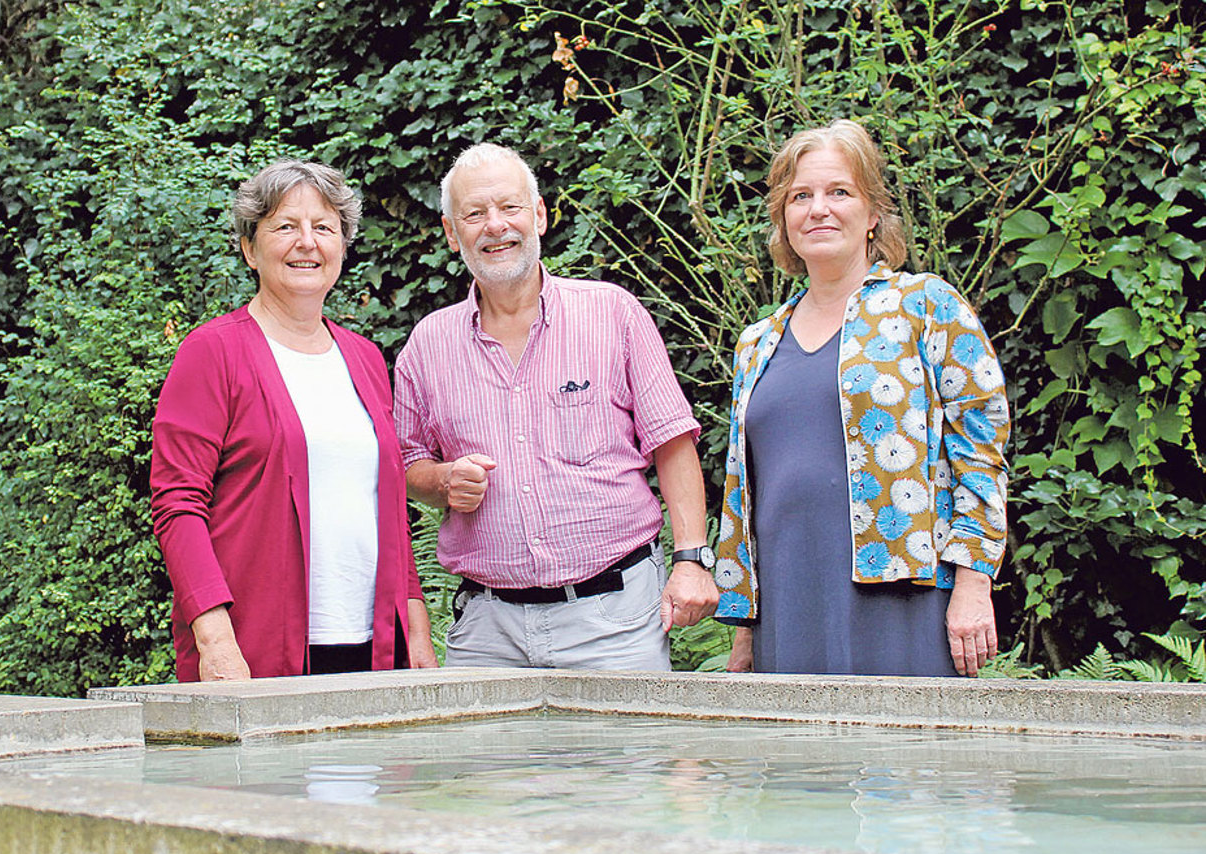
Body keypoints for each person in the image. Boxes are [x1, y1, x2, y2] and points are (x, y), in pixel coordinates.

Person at [393, 143, 718, 670]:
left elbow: (673, 441)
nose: (495, 225)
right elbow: (407, 464)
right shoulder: (427, 346)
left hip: (615, 622)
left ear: (540, 215)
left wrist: (691, 559)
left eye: (510, 207)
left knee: (631, 734)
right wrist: (443, 480)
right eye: (474, 214)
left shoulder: (613, 314)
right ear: (452, 234)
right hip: (487, 631)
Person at [716, 120, 1010, 677]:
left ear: (873, 212)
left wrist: (974, 584)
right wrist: (744, 626)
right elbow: (744, 490)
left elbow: (981, 448)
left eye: (839, 192)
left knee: (903, 736)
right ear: (783, 218)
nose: (818, 209)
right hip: (787, 601)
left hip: (902, 596)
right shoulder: (757, 343)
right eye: (800, 196)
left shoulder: (926, 305)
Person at [151, 160, 436, 681]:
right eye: (285, 226)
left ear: (342, 247)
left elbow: (390, 510)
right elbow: (178, 505)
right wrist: (214, 640)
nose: (307, 242)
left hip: (375, 647)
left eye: (323, 227)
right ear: (249, 249)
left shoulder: (366, 359)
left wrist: (415, 626)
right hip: (253, 648)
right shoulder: (212, 352)